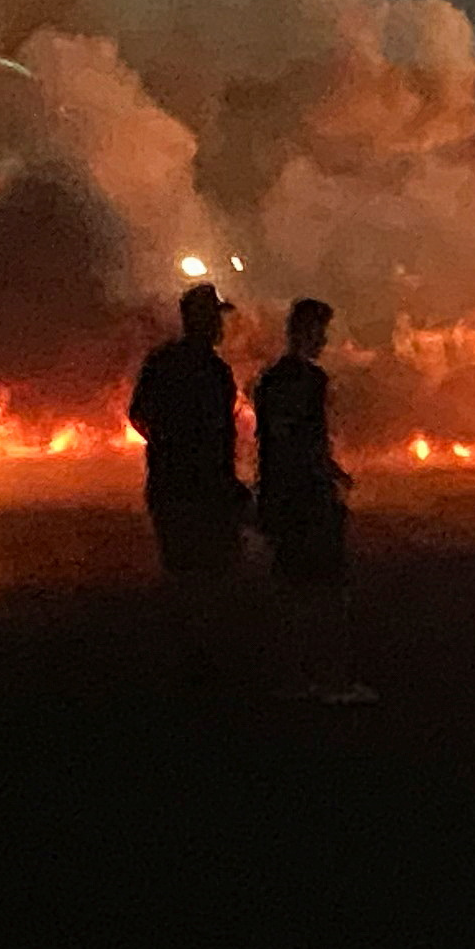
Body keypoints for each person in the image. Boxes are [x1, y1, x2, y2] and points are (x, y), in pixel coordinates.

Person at [251, 297, 372, 704]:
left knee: (290, 589)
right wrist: (327, 479)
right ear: (305, 331)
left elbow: (273, 442)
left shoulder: (270, 380)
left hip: (281, 495)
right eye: (320, 332)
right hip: (306, 498)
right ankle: (333, 681)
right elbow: (304, 442)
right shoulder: (308, 381)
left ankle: (295, 678)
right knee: (328, 590)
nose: (323, 340)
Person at [128, 281, 248, 668]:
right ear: (202, 320)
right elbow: (220, 436)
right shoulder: (214, 372)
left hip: (170, 483)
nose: (221, 326)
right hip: (207, 488)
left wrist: (165, 447)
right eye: (215, 318)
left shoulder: (161, 362)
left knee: (183, 571)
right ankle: (209, 654)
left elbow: (138, 415)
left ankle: (189, 653)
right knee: (213, 571)